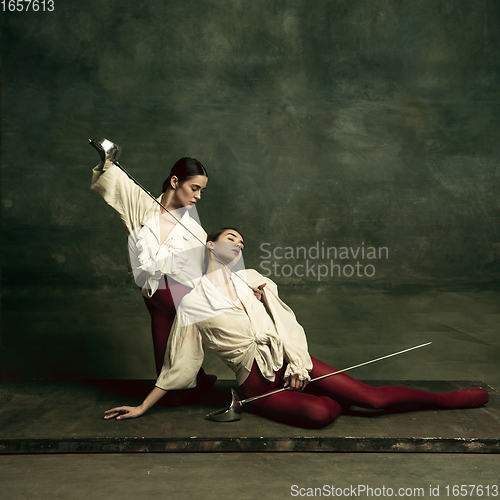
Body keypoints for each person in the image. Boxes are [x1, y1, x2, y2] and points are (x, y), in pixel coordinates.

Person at [104, 228, 489, 429]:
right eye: (231, 239)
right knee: (321, 415)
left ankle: (453, 399)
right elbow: (180, 361)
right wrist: (142, 407)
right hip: (254, 383)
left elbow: (287, 323)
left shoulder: (253, 280)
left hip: (290, 362)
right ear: (210, 245)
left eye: (242, 243)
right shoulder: (192, 303)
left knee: (373, 400)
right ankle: (327, 399)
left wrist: (298, 367)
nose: (238, 245)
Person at [89, 139, 214, 389]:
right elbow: (116, 180)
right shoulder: (143, 204)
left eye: (202, 190)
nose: (199, 196)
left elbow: (201, 274)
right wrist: (108, 158)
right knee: (165, 333)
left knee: (178, 332)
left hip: (180, 294)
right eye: (195, 188)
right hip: (153, 290)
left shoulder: (196, 230)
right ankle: (190, 380)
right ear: (175, 181)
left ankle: (188, 380)